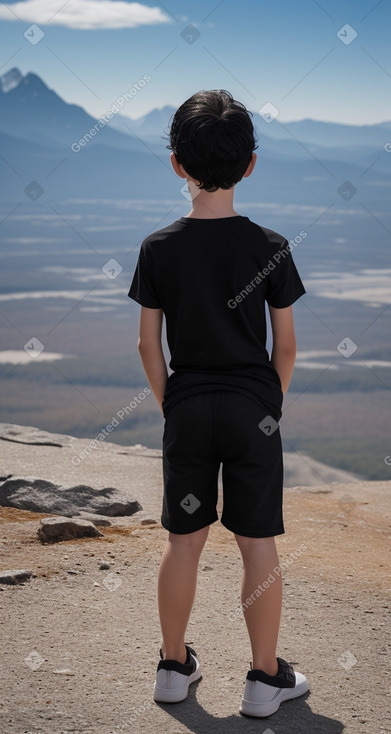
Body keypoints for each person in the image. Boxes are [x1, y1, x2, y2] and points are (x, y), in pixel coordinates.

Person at [128, 89, 309, 718]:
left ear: (177, 163)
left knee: (184, 541)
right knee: (257, 543)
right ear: (251, 164)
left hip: (188, 406)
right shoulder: (271, 246)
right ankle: (264, 680)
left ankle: (173, 668)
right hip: (251, 409)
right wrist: (267, 406)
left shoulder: (157, 248)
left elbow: (149, 344)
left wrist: (171, 405)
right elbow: (285, 347)